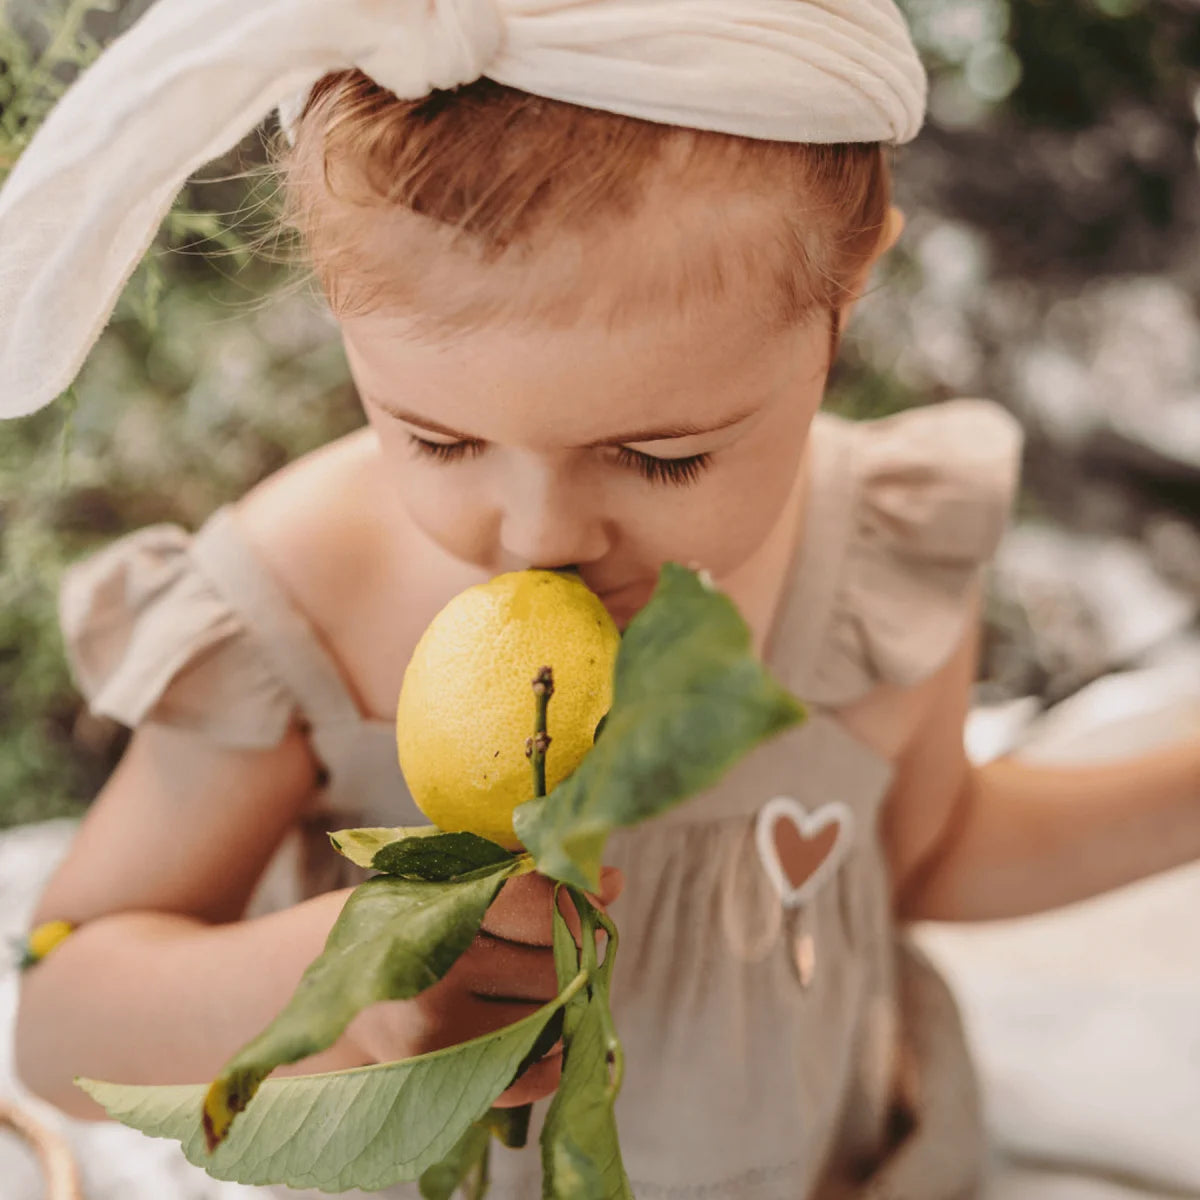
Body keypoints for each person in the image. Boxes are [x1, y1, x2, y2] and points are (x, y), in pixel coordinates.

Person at [5, 2, 1200, 1197]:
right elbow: (60, 1029)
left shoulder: (878, 553)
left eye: (663, 456)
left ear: (849, 288)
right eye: (437, 438)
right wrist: (332, 985)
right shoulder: (308, 595)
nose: (540, 535)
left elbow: (923, 855)